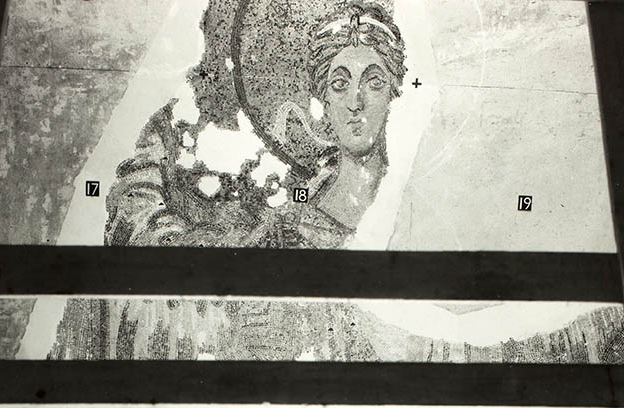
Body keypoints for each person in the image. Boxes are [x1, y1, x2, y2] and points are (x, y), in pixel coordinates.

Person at [104, 2, 406, 249]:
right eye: (339, 84)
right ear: (322, 97)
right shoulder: (287, 225)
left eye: (374, 82)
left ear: (394, 89)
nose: (356, 101)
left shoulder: (405, 190)